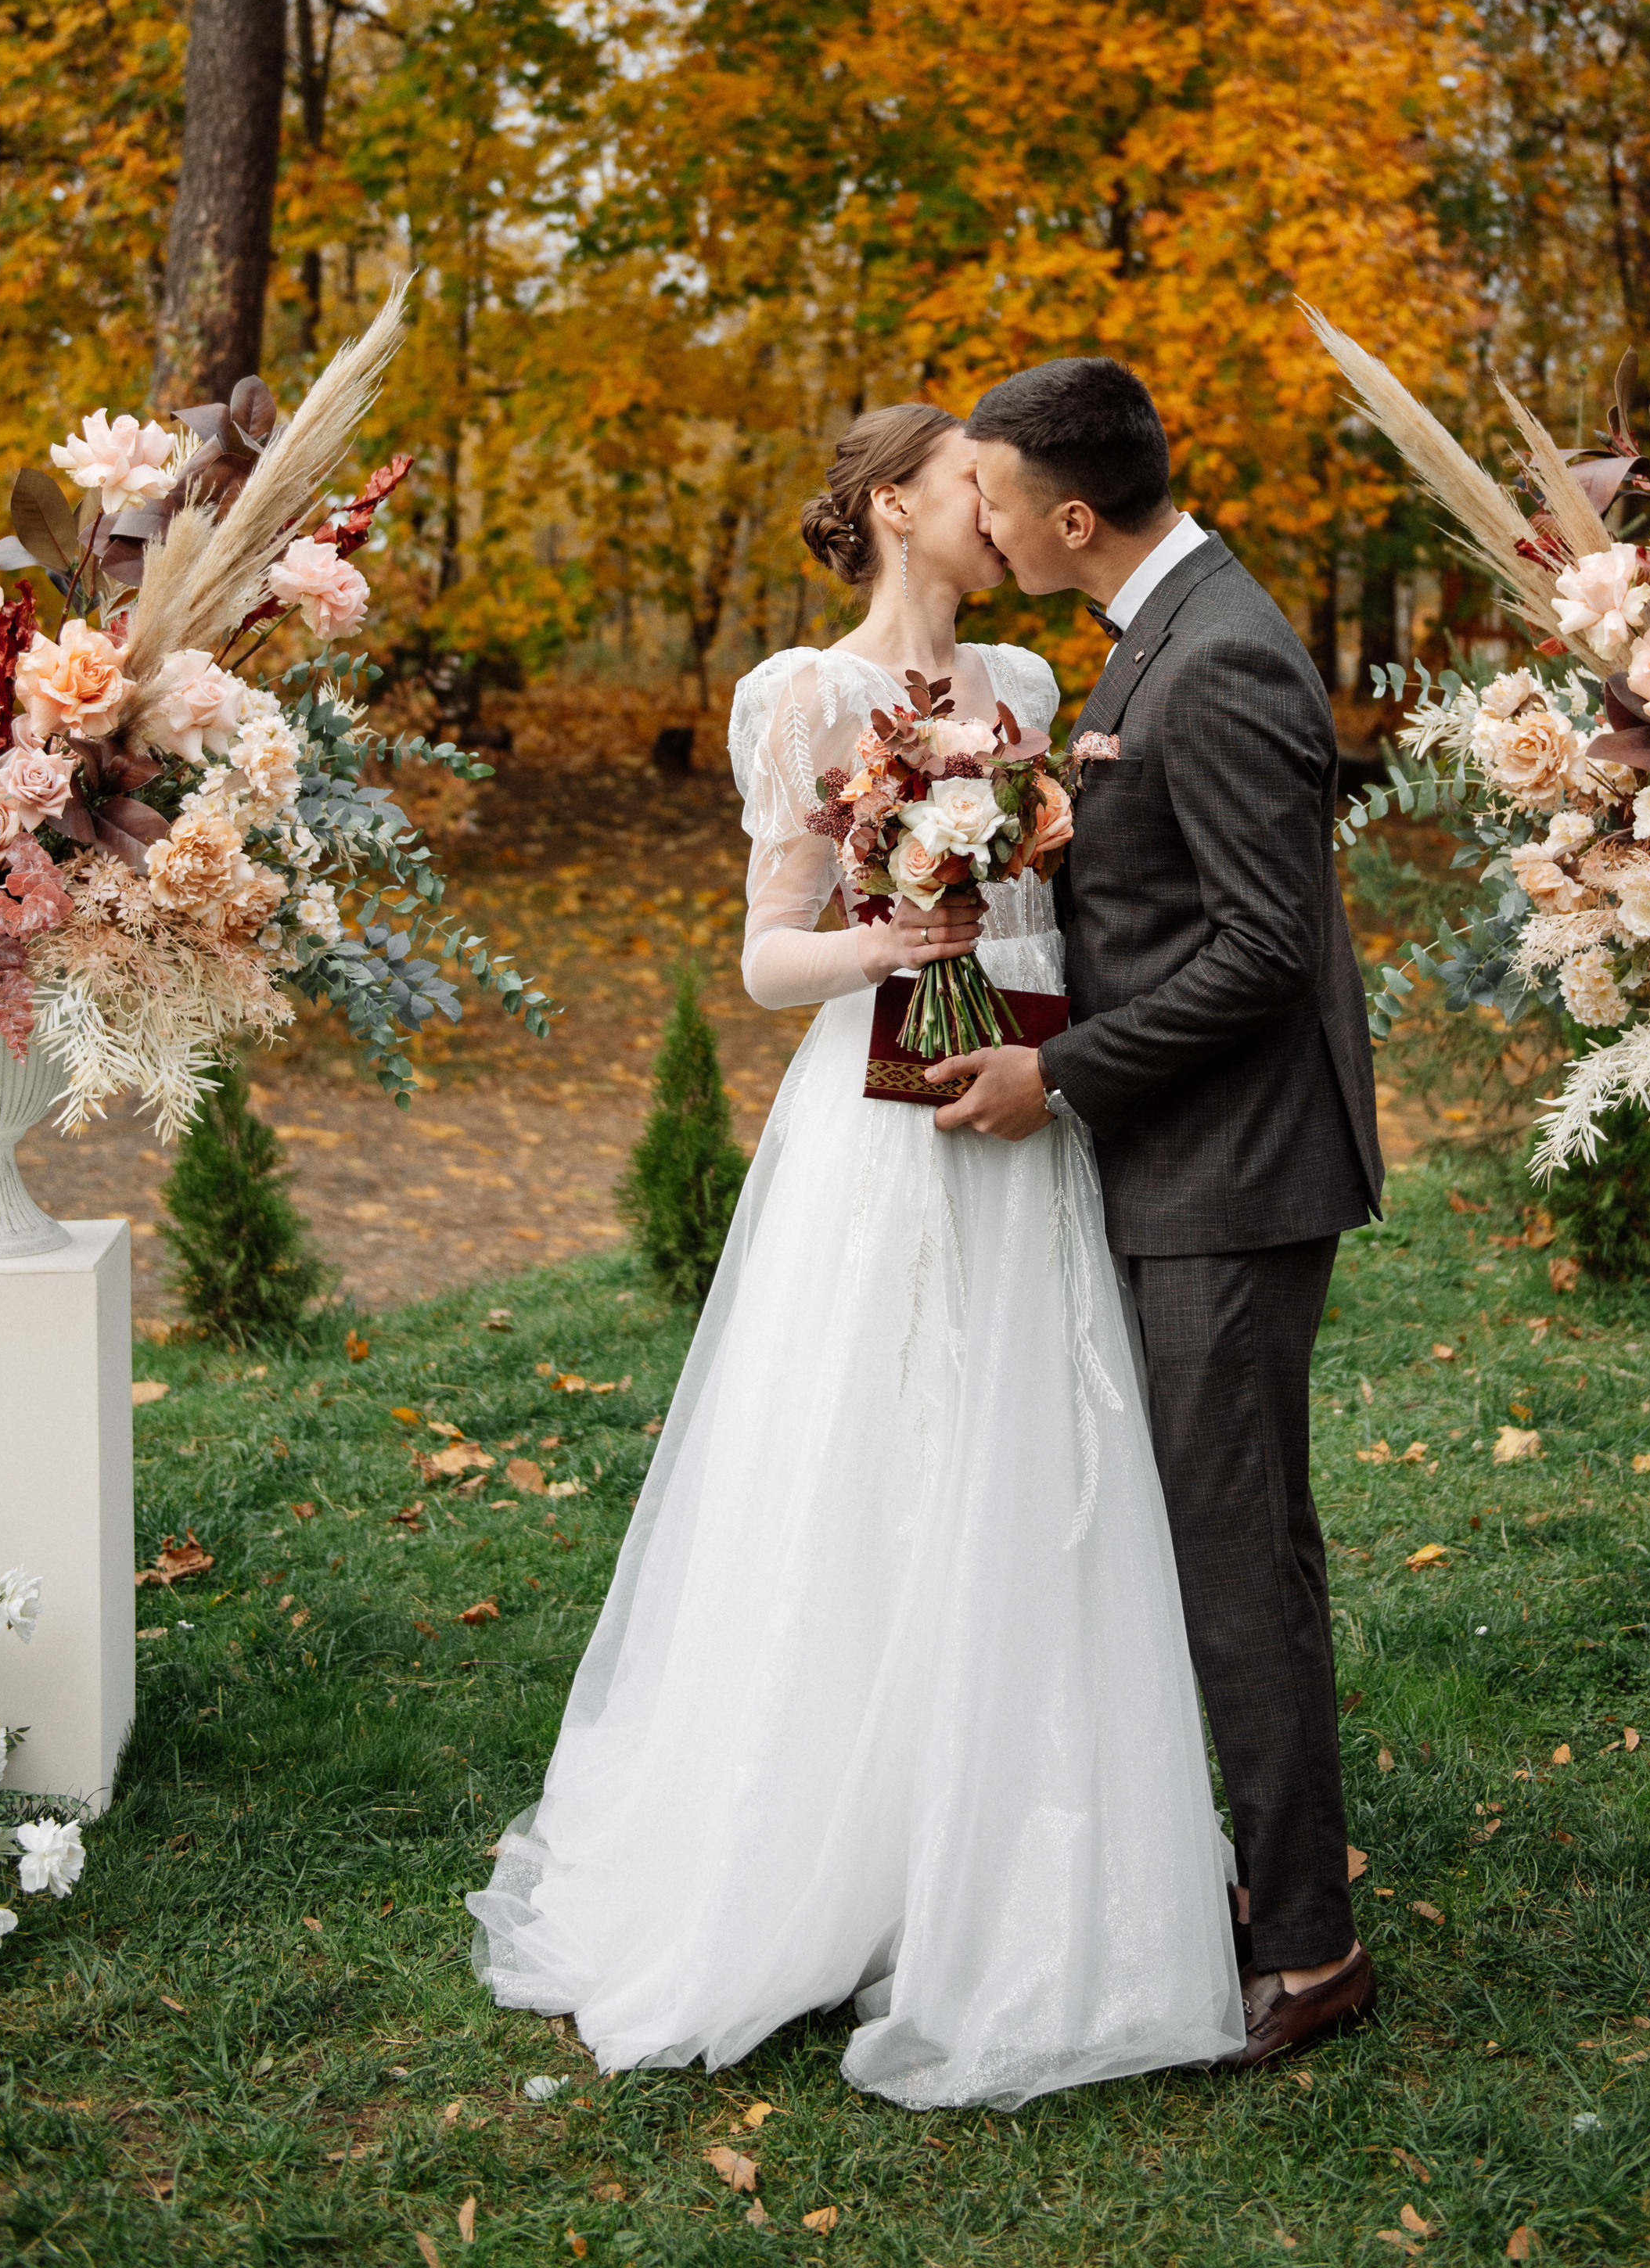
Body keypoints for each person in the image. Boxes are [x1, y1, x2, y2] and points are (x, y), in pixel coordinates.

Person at [466, 401, 1244, 2108]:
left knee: (1028, 1453)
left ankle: (1012, 1849)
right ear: (897, 504)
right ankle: (820, 1846)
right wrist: (895, 935)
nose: (999, 507)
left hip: (1026, 1094)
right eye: (972, 482)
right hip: (878, 1117)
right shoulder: (802, 693)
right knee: (864, 1452)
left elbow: (1064, 900)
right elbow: (765, 957)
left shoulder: (1028, 682)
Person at [927, 355, 1386, 2069]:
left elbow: (1263, 952)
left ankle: (1310, 1944)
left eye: (989, 494)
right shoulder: (1155, 628)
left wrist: (1059, 1074)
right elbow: (1172, 889)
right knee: (1220, 1536)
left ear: (1067, 516)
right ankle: (1267, 1881)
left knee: (1237, 1549)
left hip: (1232, 1174)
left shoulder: (1226, 654)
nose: (975, 521)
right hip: (1185, 1155)